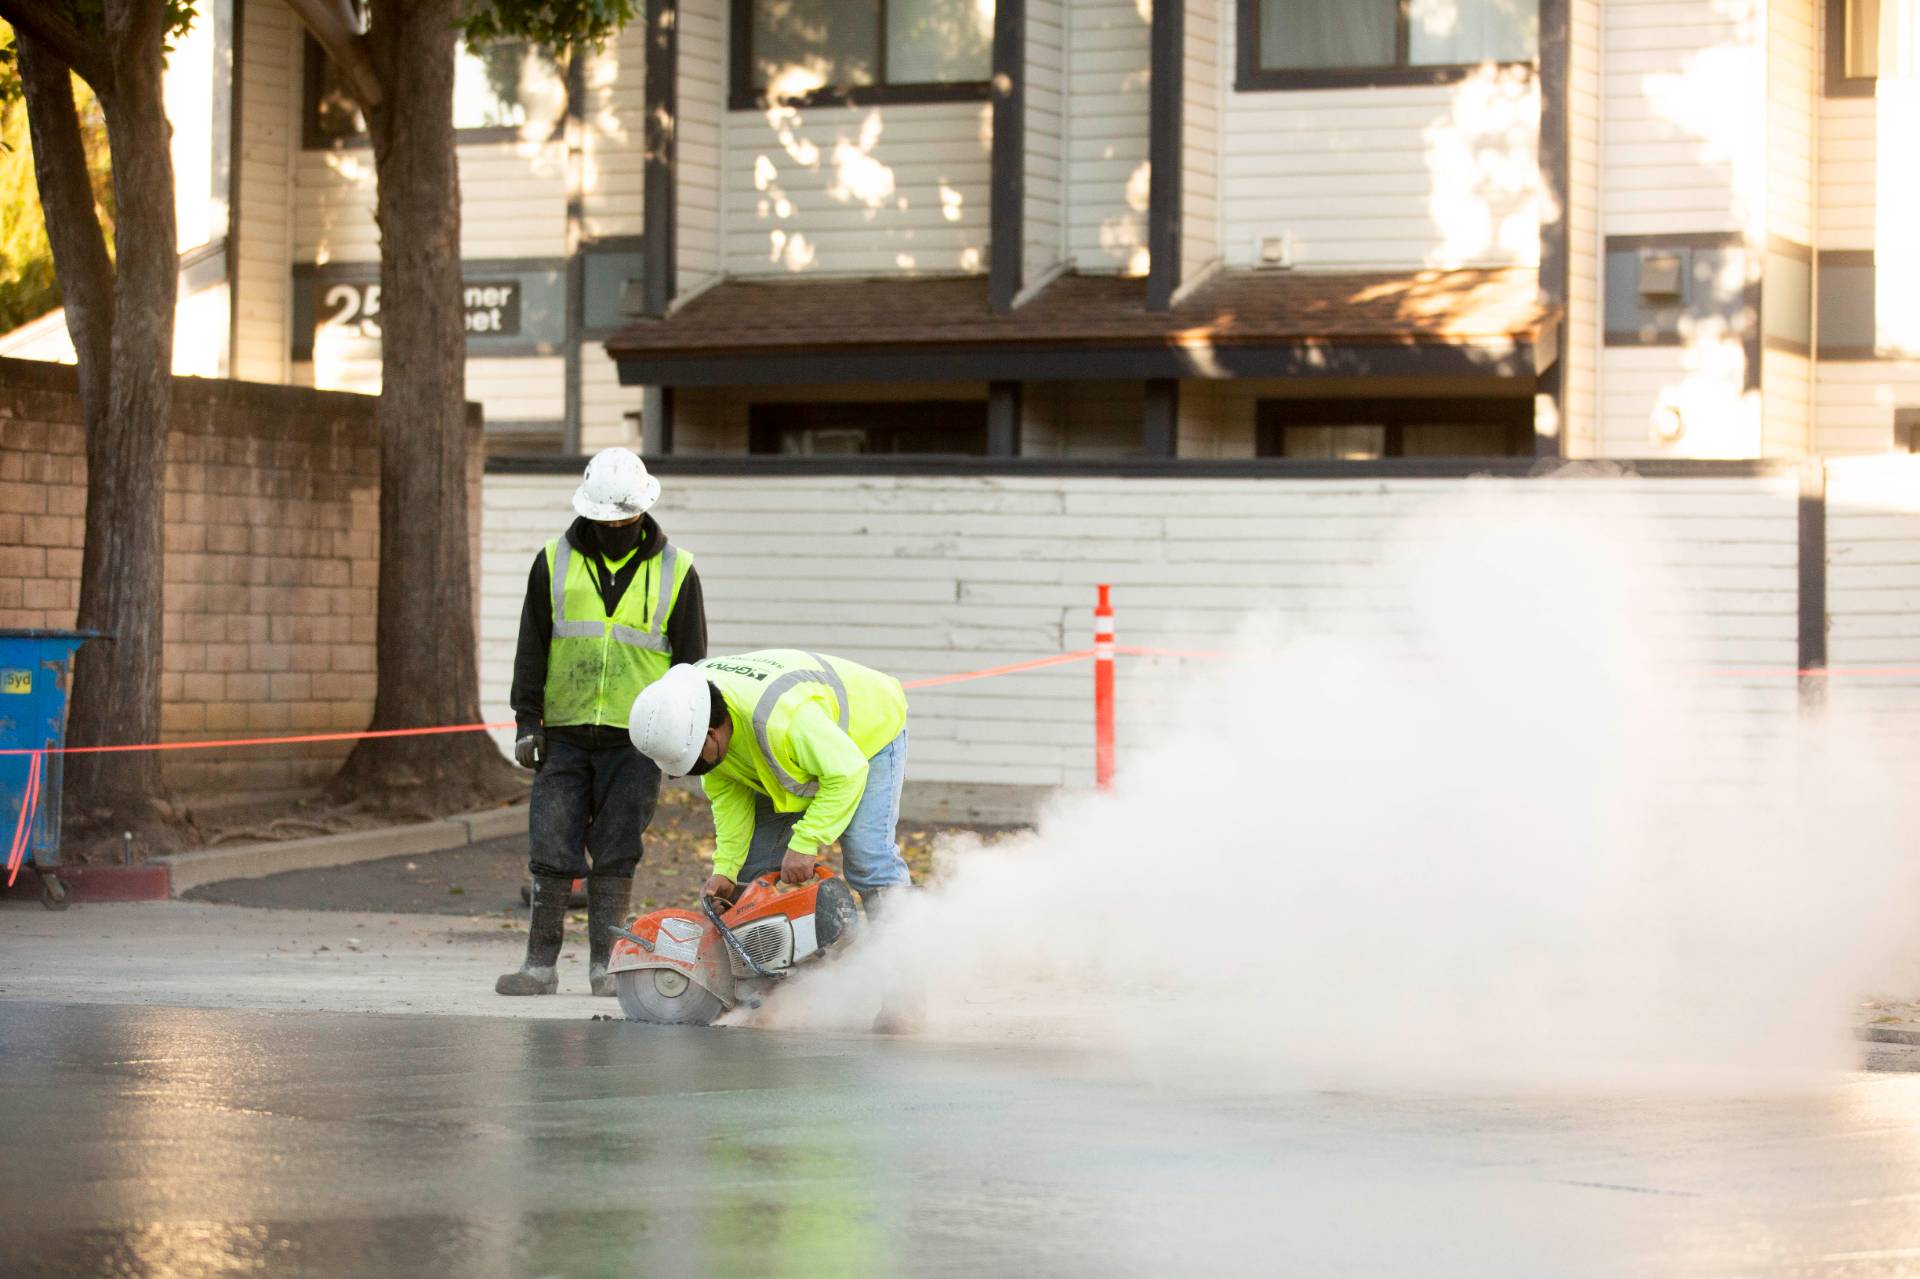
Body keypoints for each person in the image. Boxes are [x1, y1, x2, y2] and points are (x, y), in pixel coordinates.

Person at [497, 447, 706, 997]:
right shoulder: (552, 561)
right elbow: (531, 646)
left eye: (623, 517)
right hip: (563, 733)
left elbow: (691, 664)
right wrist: (527, 721)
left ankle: (603, 966)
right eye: (604, 518)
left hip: (638, 741)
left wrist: (685, 741)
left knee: (617, 849)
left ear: (642, 510)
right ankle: (539, 967)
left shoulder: (677, 570)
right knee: (551, 845)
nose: (613, 526)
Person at [626, 650, 912, 916]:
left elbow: (847, 773)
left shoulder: (784, 723)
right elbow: (731, 805)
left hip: (869, 731)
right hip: (808, 750)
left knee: (867, 856)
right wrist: (725, 870)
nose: (694, 772)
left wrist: (805, 842)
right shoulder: (691, 711)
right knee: (748, 872)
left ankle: (900, 951)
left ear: (711, 734)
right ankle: (762, 962)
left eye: (693, 762)